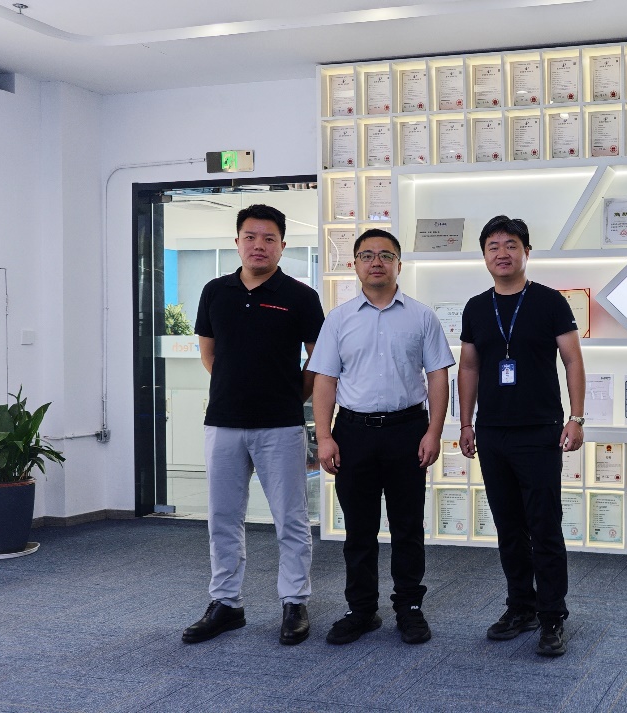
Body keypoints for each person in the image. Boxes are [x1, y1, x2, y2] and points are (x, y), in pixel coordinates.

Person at [183, 204, 324, 646]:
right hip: (223, 423)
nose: (258, 245)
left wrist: (291, 396)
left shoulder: (300, 296)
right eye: (250, 237)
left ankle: (294, 602)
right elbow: (209, 354)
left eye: (268, 238)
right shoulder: (215, 291)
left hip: (280, 424)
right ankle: (226, 603)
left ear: (282, 245)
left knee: (291, 519)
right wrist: (236, 389)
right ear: (237, 241)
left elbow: (319, 360)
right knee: (223, 518)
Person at [308, 228, 454, 646]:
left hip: (408, 431)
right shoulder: (338, 319)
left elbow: (437, 376)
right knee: (359, 529)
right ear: (354, 264)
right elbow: (324, 381)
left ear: (398, 265)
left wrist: (434, 431)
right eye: (367, 255)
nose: (377, 262)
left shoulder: (421, 316)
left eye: (386, 255)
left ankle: (409, 608)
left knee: (408, 526)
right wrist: (325, 436)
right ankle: (361, 610)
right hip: (353, 433)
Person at [458, 215, 585, 657]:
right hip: (492, 433)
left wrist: (577, 417)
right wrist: (465, 423)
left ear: (526, 252)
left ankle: (552, 616)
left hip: (539, 432)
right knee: (509, 527)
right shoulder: (476, 307)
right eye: (493, 246)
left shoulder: (550, 302)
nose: (502, 253)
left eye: (511, 245)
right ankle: (521, 607)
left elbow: (573, 360)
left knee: (544, 527)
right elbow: (468, 366)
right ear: (484, 256)